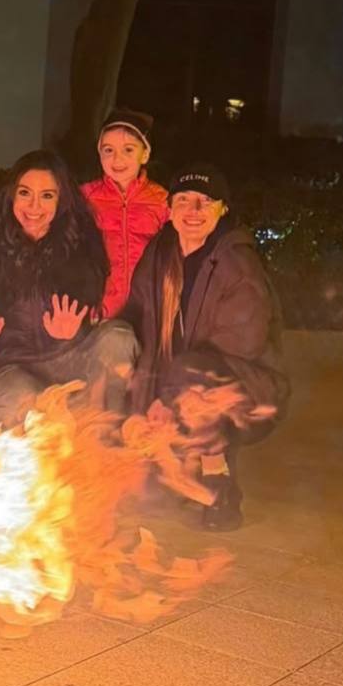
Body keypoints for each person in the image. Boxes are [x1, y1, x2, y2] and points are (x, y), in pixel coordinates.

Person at [122, 165, 289, 531]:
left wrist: (166, 399)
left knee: (190, 374)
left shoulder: (237, 264)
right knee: (150, 490)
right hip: (175, 385)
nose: (193, 211)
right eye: (183, 201)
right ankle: (182, 461)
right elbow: (140, 323)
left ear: (222, 209)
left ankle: (220, 484)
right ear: (169, 209)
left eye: (205, 202)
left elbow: (238, 347)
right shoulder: (160, 255)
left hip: (248, 389)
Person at [0, 150, 137, 426]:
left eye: (47, 195)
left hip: (70, 359)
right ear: (11, 195)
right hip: (15, 367)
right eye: (25, 193)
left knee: (119, 337)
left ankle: (105, 432)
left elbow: (86, 290)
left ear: (61, 202)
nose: (34, 207)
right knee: (27, 402)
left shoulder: (80, 244)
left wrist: (72, 332)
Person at [82, 108, 169, 318]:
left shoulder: (162, 200)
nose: (117, 159)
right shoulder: (84, 197)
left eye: (128, 150)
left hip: (148, 311)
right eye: (108, 150)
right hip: (98, 311)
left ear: (145, 154)